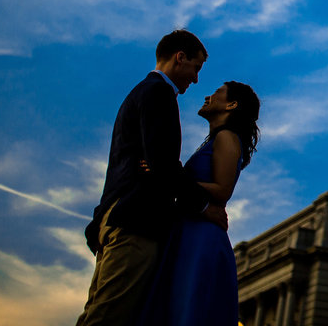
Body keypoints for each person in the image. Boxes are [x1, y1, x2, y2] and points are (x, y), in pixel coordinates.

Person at [77, 29, 227, 326]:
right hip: (135, 222)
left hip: (116, 216)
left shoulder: (139, 92)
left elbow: (140, 164)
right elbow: (162, 163)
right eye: (196, 68)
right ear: (179, 58)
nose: (196, 79)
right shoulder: (159, 93)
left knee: (97, 314)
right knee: (109, 318)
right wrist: (203, 207)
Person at [136, 80, 261, 326]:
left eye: (217, 92)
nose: (208, 96)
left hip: (201, 238)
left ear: (232, 105)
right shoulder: (216, 139)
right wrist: (173, 176)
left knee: (188, 306)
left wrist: (168, 175)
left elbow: (223, 191)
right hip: (188, 230)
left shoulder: (227, 137)